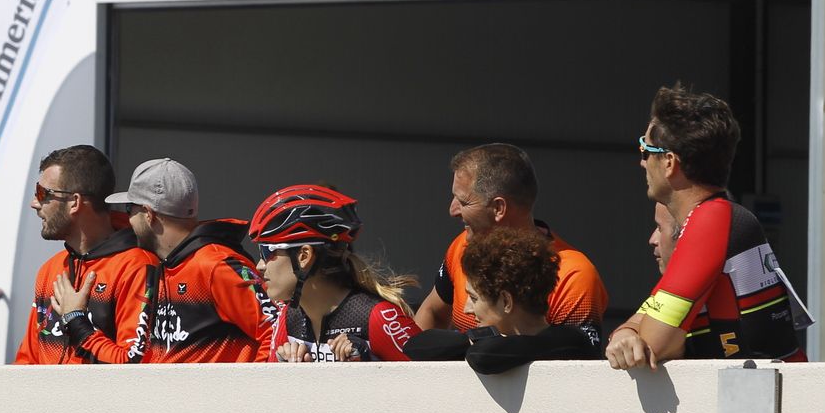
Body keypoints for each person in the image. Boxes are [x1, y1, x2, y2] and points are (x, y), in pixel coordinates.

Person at [607, 85, 809, 370]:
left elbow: (655, 341)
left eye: (645, 149)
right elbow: (648, 315)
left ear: (668, 163)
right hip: (754, 397)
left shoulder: (713, 219)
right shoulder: (714, 217)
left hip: (768, 404)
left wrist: (638, 332)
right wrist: (626, 332)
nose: (641, 162)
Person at [413, 143, 608, 346]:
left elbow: (575, 364)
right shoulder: (462, 246)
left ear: (499, 208)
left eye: (463, 202)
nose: (452, 210)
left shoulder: (573, 275)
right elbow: (433, 312)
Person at [109, 157, 275, 363]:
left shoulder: (214, 264)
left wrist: (245, 390)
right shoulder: (165, 264)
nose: (127, 220)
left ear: (148, 214)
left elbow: (274, 333)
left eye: (129, 209)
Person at [14, 145, 157, 364]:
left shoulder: (136, 267)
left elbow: (133, 367)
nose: (35, 203)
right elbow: (27, 361)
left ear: (75, 202)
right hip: (47, 398)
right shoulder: (50, 270)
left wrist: (76, 319)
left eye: (43, 194)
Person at [248, 184, 420, 362]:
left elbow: (434, 383)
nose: (260, 265)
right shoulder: (289, 318)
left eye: (267, 252)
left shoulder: (378, 317)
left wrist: (371, 366)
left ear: (304, 256)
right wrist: (291, 377)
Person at [406, 227, 602, 372]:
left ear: (506, 301)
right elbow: (416, 346)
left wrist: (476, 342)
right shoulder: (503, 342)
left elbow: (483, 357)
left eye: (473, 298)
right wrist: (474, 340)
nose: (466, 309)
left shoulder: (571, 341)